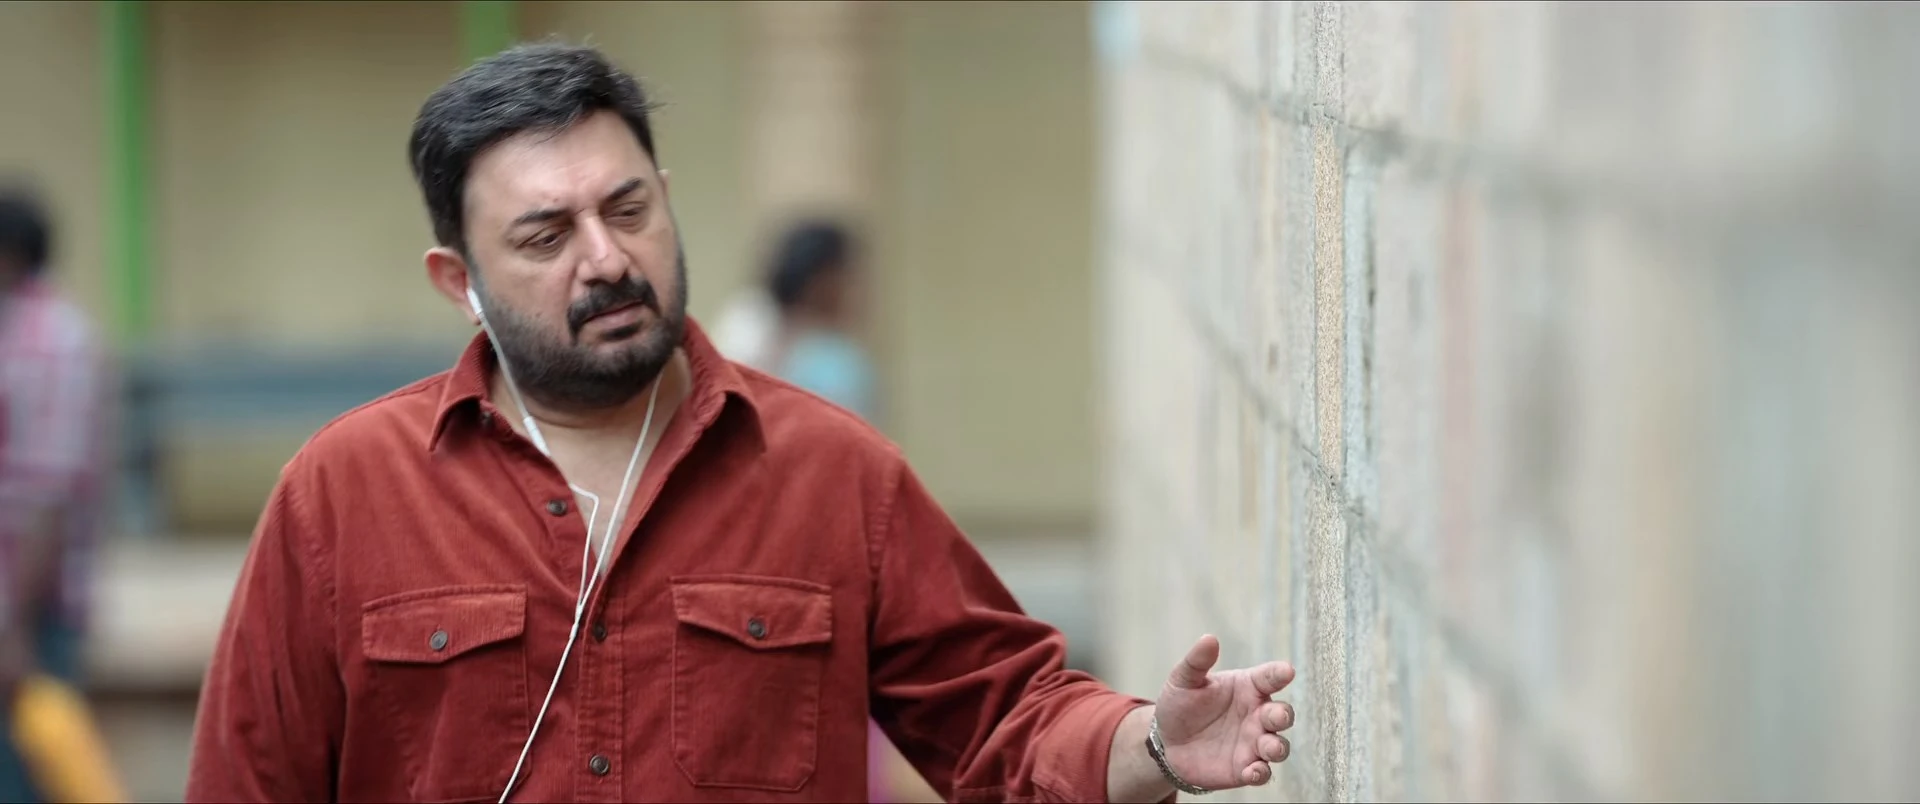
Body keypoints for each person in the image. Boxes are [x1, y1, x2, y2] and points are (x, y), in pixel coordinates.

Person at [185, 43, 1297, 803]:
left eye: (628, 209)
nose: (606, 258)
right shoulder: (343, 495)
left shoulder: (831, 473)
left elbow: (1008, 718)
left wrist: (1154, 746)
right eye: (545, 237)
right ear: (457, 281)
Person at [0, 187, 124, 803]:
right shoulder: (20, 331)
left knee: (30, 771)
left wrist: (15, 626)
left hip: (30, 609)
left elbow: (46, 498)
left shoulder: (48, 342)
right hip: (18, 604)